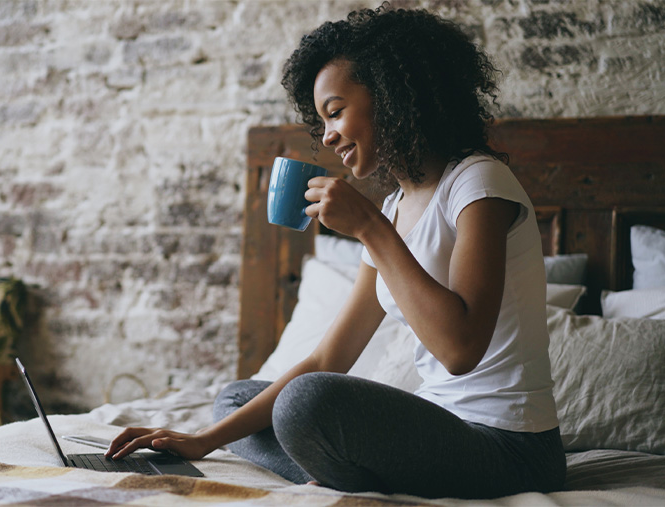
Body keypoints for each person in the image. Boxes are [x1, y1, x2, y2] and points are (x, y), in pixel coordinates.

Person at [107, 4, 566, 499]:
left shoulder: (477, 182)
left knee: (304, 402)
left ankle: (345, 473)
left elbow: (460, 350)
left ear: (390, 96)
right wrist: (203, 441)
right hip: (440, 430)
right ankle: (345, 473)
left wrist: (368, 226)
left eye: (336, 111)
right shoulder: (394, 207)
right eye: (322, 120)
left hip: (510, 450)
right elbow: (332, 354)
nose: (327, 136)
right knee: (236, 400)